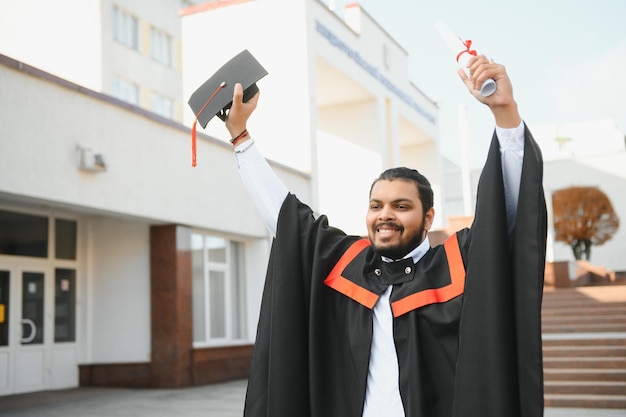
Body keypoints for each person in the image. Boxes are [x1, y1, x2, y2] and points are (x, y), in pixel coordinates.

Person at [224, 55, 547, 417]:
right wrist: (241, 138)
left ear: (428, 218)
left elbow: (508, 214)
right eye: (376, 205)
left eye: (401, 206)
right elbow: (285, 219)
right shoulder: (348, 265)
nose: (385, 216)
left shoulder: (458, 265)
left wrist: (505, 116)